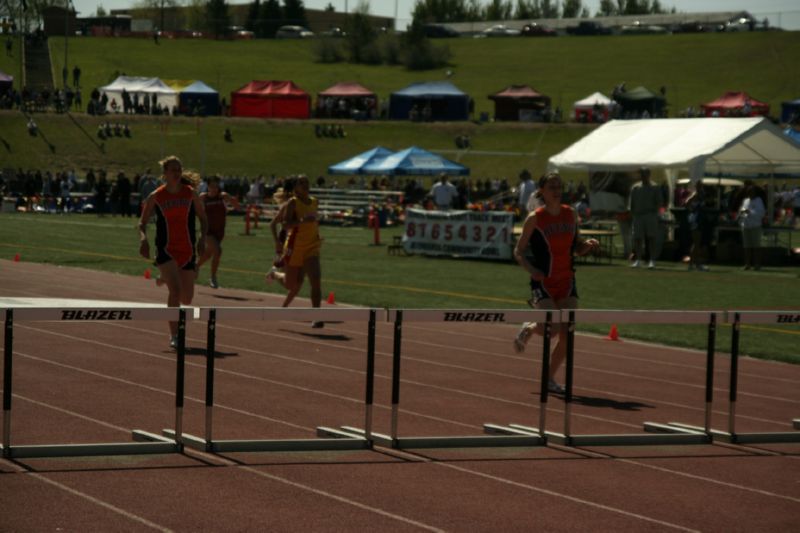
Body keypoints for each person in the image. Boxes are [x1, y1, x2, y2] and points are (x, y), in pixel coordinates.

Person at [512, 173, 600, 394]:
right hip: (544, 281)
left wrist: (586, 246)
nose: (557, 190)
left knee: (567, 333)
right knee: (551, 329)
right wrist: (532, 270)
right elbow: (519, 251)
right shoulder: (535, 218)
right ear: (541, 191)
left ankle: (549, 378)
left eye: (559, 186)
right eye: (552, 187)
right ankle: (531, 327)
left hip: (567, 280)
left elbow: (576, 247)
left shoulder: (571, 214)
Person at [138, 156, 208, 348]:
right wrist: (144, 240)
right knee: (175, 292)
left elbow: (203, 218)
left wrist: (202, 239)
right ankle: (175, 335)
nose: (177, 172)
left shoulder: (190, 193)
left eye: (179, 169)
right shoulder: (156, 196)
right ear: (165, 173)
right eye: (173, 169)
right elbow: (142, 222)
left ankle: (165, 277)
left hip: (187, 249)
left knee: (187, 298)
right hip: (166, 249)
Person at [280, 175, 324, 327]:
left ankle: (317, 316)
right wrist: (301, 221)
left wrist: (316, 230)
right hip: (294, 247)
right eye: (301, 183)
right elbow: (285, 225)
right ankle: (276, 275)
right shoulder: (293, 202)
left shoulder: (315, 201)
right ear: (295, 188)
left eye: (306, 182)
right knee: (291, 285)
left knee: (316, 279)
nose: (305, 185)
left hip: (311, 246)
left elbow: (313, 221)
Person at [266, 178, 305, 307]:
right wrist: (277, 242)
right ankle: (274, 274)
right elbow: (272, 224)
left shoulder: (301, 204)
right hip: (286, 245)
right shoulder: (287, 205)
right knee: (291, 282)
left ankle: (284, 307)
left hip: (300, 244)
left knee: (299, 281)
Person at [197, 175, 237, 289]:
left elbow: (237, 207)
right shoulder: (203, 197)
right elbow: (194, 207)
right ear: (207, 186)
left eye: (216, 186)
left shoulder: (222, 197)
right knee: (218, 251)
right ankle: (213, 277)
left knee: (208, 254)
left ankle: (195, 267)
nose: (213, 189)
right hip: (207, 231)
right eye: (211, 186)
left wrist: (232, 201)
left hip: (219, 232)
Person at [628, 167, 664, 269]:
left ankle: (652, 260)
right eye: (642, 174)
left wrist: (657, 214)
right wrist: (632, 213)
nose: (643, 176)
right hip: (638, 215)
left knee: (651, 238)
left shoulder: (655, 187)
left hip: (650, 214)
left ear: (649, 174)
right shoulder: (636, 187)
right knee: (637, 238)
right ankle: (638, 260)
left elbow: (659, 202)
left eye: (645, 174)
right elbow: (632, 202)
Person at [738, 184, 765, 270]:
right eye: (749, 192)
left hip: (755, 225)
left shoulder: (759, 200)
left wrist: (749, 212)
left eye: (752, 192)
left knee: (756, 246)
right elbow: (741, 210)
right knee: (747, 246)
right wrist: (742, 212)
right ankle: (747, 264)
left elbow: (761, 213)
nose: (750, 193)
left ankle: (757, 264)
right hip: (746, 225)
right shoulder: (745, 200)